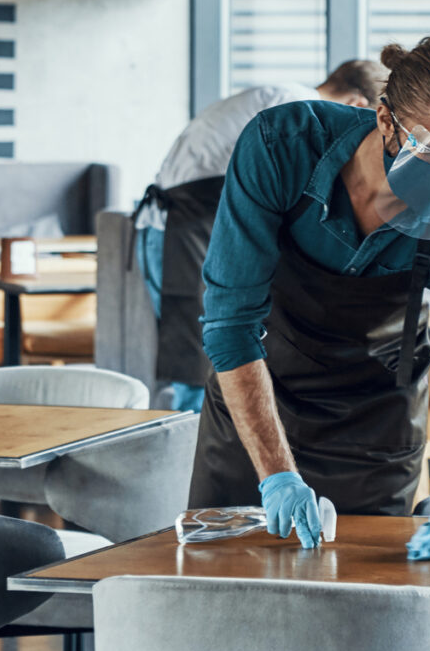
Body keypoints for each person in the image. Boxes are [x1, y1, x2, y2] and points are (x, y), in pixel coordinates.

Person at [189, 35, 430, 556]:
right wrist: (277, 477)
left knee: (363, 618)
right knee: (216, 601)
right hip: (254, 415)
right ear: (386, 121)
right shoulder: (282, 147)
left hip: (375, 438)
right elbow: (230, 327)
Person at [135, 60, 387, 412]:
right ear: (358, 106)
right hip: (184, 228)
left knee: (195, 353)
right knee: (201, 355)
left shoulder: (282, 94)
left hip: (170, 225)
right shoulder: (298, 107)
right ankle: (190, 452)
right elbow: (289, 186)